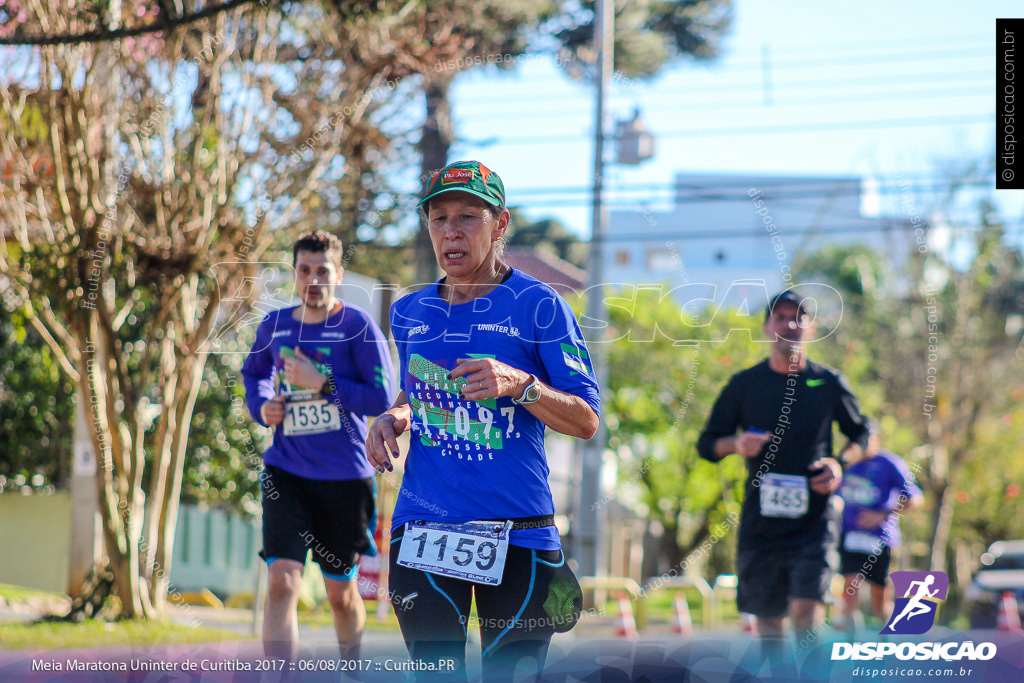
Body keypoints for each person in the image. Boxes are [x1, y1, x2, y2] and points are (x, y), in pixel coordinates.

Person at [365, 160, 599, 681]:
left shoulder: (541, 306)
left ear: (500, 224)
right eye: (439, 217)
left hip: (518, 533)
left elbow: (586, 421)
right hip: (424, 528)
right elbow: (416, 392)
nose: (451, 230)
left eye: (469, 216)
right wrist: (394, 415)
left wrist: (522, 384)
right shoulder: (410, 311)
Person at [242, 231, 395, 661]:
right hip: (286, 474)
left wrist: (322, 383)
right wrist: (262, 405)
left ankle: (351, 666)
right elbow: (254, 373)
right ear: (294, 274)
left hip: (345, 478)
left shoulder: (357, 327)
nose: (313, 280)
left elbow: (382, 398)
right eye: (304, 270)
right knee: (282, 583)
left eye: (322, 271)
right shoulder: (275, 325)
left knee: (341, 595)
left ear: (338, 274)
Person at [697, 289, 870, 664]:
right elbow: (706, 445)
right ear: (767, 327)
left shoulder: (827, 383)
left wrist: (840, 463)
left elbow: (862, 432)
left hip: (815, 521)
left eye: (799, 317)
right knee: (770, 624)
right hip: (762, 524)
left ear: (812, 328)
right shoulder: (744, 386)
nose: (790, 324)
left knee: (805, 617)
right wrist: (736, 443)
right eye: (781, 317)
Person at [838, 421, 923, 634]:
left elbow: (915, 498)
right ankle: (850, 646)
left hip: (881, 539)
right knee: (850, 590)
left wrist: (882, 515)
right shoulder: (846, 464)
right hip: (851, 538)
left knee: (880, 599)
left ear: (875, 439)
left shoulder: (889, 463)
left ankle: (886, 639)